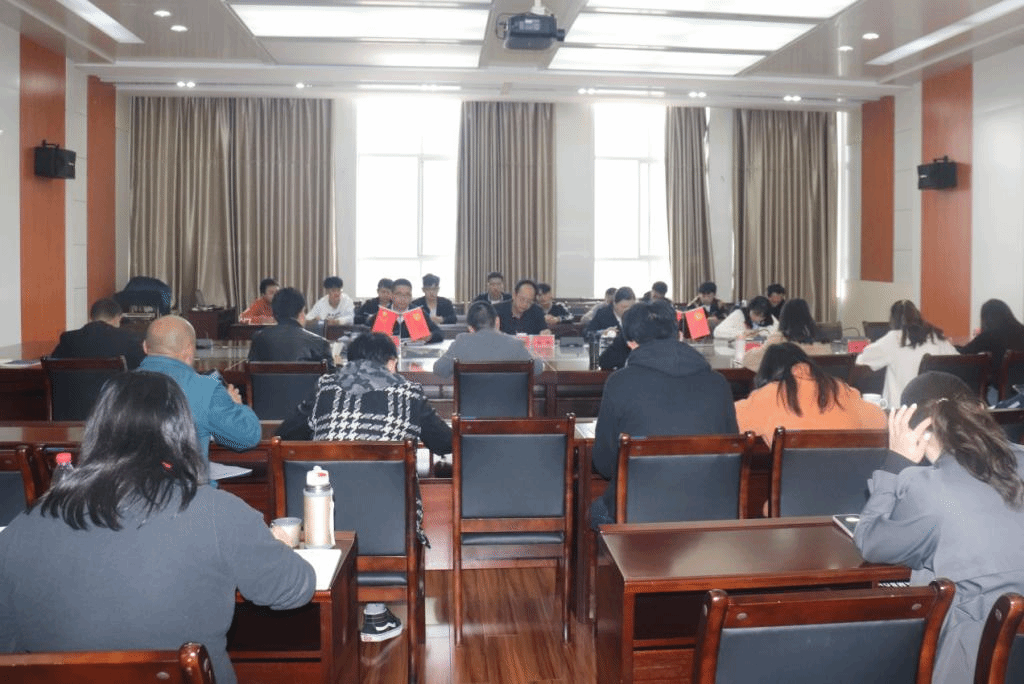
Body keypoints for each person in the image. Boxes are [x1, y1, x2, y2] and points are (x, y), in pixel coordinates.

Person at [0, 372, 315, 684]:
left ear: (95, 432)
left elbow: (7, 646)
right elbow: (294, 590)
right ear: (181, 432)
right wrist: (269, 545)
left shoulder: (24, 526)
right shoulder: (219, 513)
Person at [276, 332, 452, 643]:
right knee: (383, 493)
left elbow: (287, 433)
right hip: (388, 529)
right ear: (391, 362)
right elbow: (444, 443)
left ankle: (332, 615)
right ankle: (375, 610)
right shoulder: (409, 392)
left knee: (337, 485)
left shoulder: (324, 388)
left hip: (324, 523)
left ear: (349, 361)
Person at [854, 371, 1024, 684]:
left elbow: (870, 541)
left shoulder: (928, 489)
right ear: (980, 411)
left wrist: (895, 463)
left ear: (909, 424)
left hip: (974, 657)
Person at [591, 300, 738, 527]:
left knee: (596, 511)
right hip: (712, 510)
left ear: (630, 342)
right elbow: (732, 454)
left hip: (636, 512)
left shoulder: (620, 383)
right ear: (679, 335)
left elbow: (603, 464)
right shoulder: (718, 383)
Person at [139, 315, 261, 459]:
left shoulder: (117, 387)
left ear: (145, 346)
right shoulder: (206, 389)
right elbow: (248, 438)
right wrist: (237, 406)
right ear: (189, 350)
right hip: (185, 474)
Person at [735, 343, 885, 443]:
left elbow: (729, 420)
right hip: (850, 479)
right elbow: (881, 421)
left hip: (794, 482)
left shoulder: (767, 396)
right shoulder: (841, 389)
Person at [855, 299, 958, 408]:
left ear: (893, 320)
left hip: (900, 410)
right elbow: (958, 360)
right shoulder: (935, 336)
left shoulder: (894, 338)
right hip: (933, 409)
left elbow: (860, 360)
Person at [433, 301, 543, 379]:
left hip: (470, 406)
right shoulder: (515, 344)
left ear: (470, 328)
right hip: (511, 406)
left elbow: (439, 370)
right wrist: (534, 355)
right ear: (497, 322)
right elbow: (538, 368)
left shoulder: (461, 342)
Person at [248, 287, 335, 371]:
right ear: (301, 313)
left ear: (274, 314)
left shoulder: (258, 338)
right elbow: (330, 378)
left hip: (266, 382)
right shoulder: (320, 344)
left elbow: (250, 372)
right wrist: (338, 365)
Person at [51, 297, 145, 369]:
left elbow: (52, 366)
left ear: (90, 319)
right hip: (114, 389)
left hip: (72, 389)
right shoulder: (128, 337)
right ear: (118, 318)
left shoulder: (68, 338)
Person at [741, 298, 832, 372]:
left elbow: (750, 360)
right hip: (818, 387)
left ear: (783, 317)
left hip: (788, 387)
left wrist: (749, 350)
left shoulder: (780, 338)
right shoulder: (823, 342)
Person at [956, 298, 1024, 380]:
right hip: (1019, 384)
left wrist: (950, 345)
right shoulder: (1021, 330)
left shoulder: (990, 336)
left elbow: (964, 353)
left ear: (987, 318)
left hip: (1000, 385)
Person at [368, 278, 443, 344]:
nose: (403, 298)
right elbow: (366, 337)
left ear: (411, 297)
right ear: (392, 295)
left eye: (407, 295)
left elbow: (439, 333)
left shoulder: (418, 313)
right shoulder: (382, 314)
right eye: (399, 294)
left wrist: (428, 337)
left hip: (414, 353)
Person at [586, 287, 637, 371]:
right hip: (607, 359)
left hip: (631, 361)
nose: (627, 310)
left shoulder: (637, 316)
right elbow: (587, 333)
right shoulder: (603, 314)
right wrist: (602, 333)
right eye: (623, 307)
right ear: (614, 304)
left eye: (631, 307)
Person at [713, 295, 778, 340]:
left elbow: (779, 333)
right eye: (754, 314)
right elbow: (717, 331)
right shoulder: (739, 314)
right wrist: (742, 333)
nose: (756, 318)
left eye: (761, 316)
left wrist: (759, 332)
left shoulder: (770, 318)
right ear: (749, 309)